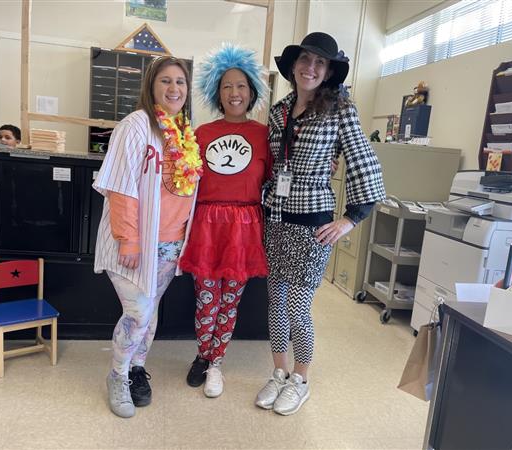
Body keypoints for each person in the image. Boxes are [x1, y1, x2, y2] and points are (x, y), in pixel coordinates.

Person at [255, 32, 386, 415]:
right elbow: (274, 163)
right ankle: (278, 373)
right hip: (276, 220)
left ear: (328, 71)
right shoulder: (279, 110)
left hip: (313, 225)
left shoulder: (341, 108)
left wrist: (351, 218)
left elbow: (364, 162)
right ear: (294, 65)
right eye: (305, 59)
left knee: (298, 306)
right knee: (275, 304)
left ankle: (300, 379)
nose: (310, 68)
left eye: (320, 62)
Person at [93, 56, 203, 418]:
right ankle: (117, 376)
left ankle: (137, 369)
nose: (174, 89)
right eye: (166, 81)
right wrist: (129, 238)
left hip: (171, 244)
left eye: (181, 82)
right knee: (138, 313)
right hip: (136, 243)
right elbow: (121, 185)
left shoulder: (185, 132)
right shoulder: (137, 124)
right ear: (151, 86)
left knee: (149, 312)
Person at [179, 44, 271, 398]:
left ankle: (216, 362)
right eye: (227, 86)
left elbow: (277, 179)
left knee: (230, 301)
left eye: (241, 86)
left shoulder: (264, 135)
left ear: (252, 92)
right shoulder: (201, 133)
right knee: (206, 299)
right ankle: (204, 355)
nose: (235, 93)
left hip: (244, 227)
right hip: (206, 224)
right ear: (217, 92)